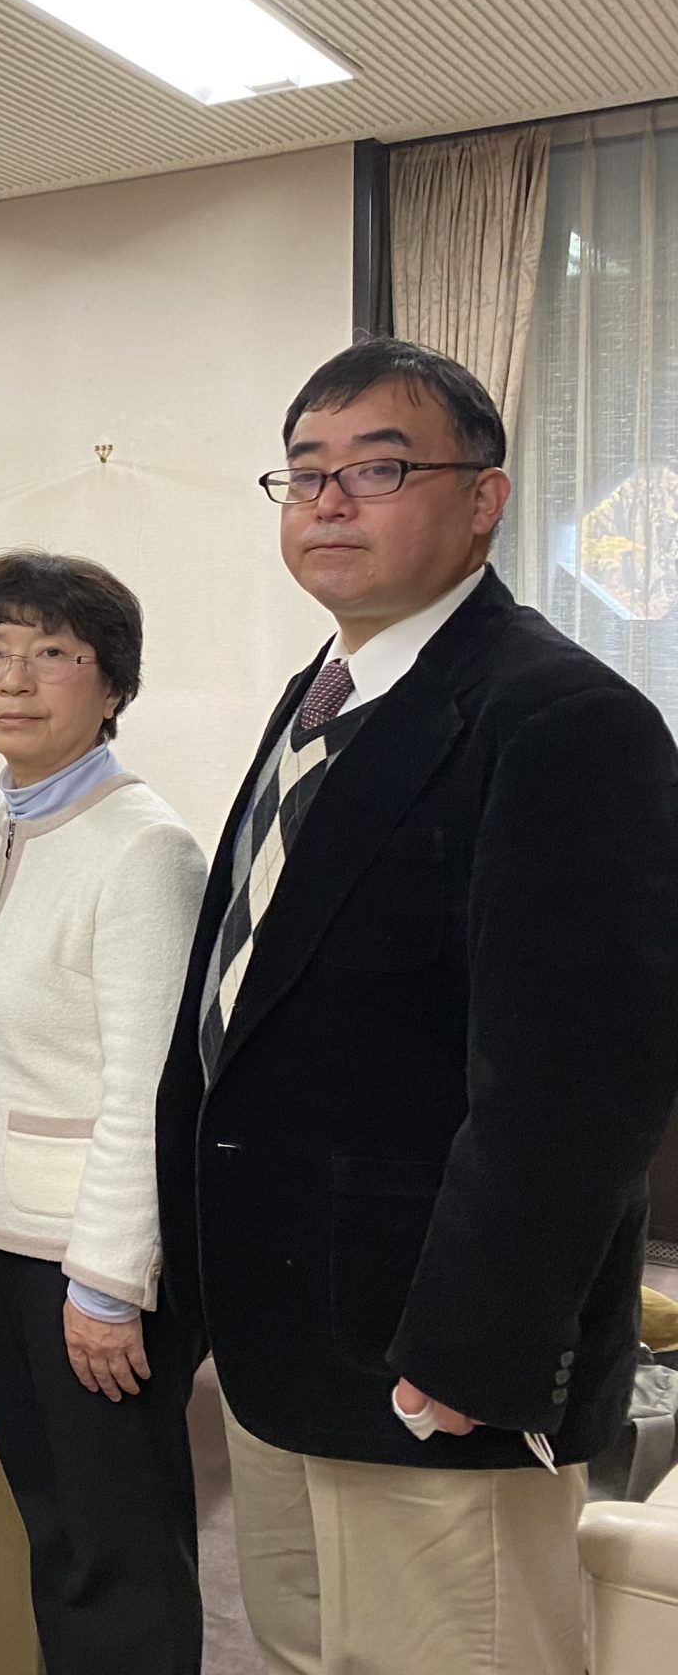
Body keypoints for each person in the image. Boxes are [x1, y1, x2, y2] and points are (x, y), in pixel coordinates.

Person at [155, 336, 678, 1675]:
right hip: (288, 1333)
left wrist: (473, 1351)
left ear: (483, 498)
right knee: (306, 1646)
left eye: (378, 469)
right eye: (307, 473)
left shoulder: (563, 720)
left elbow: (575, 1090)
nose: (330, 501)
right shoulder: (326, 692)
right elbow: (242, 999)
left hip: (427, 1360)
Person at [0, 551, 208, 1672]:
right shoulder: (3, 818)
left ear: (111, 687)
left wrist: (105, 1284)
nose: (15, 677)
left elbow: (151, 1090)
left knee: (116, 1550)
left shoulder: (143, 848)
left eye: (53, 652)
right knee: (53, 1521)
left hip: (86, 1266)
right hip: (6, 1239)